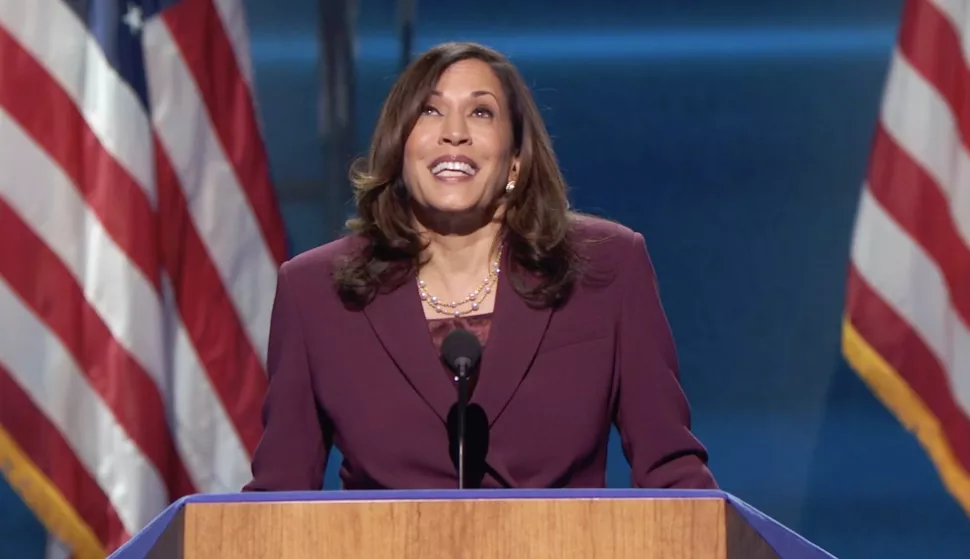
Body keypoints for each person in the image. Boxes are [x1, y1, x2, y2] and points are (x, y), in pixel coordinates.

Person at [243, 41, 716, 491]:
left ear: (514, 161)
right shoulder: (315, 292)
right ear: (400, 150)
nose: (455, 131)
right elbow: (279, 495)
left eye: (481, 112)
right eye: (430, 110)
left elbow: (670, 469)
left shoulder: (607, 268)